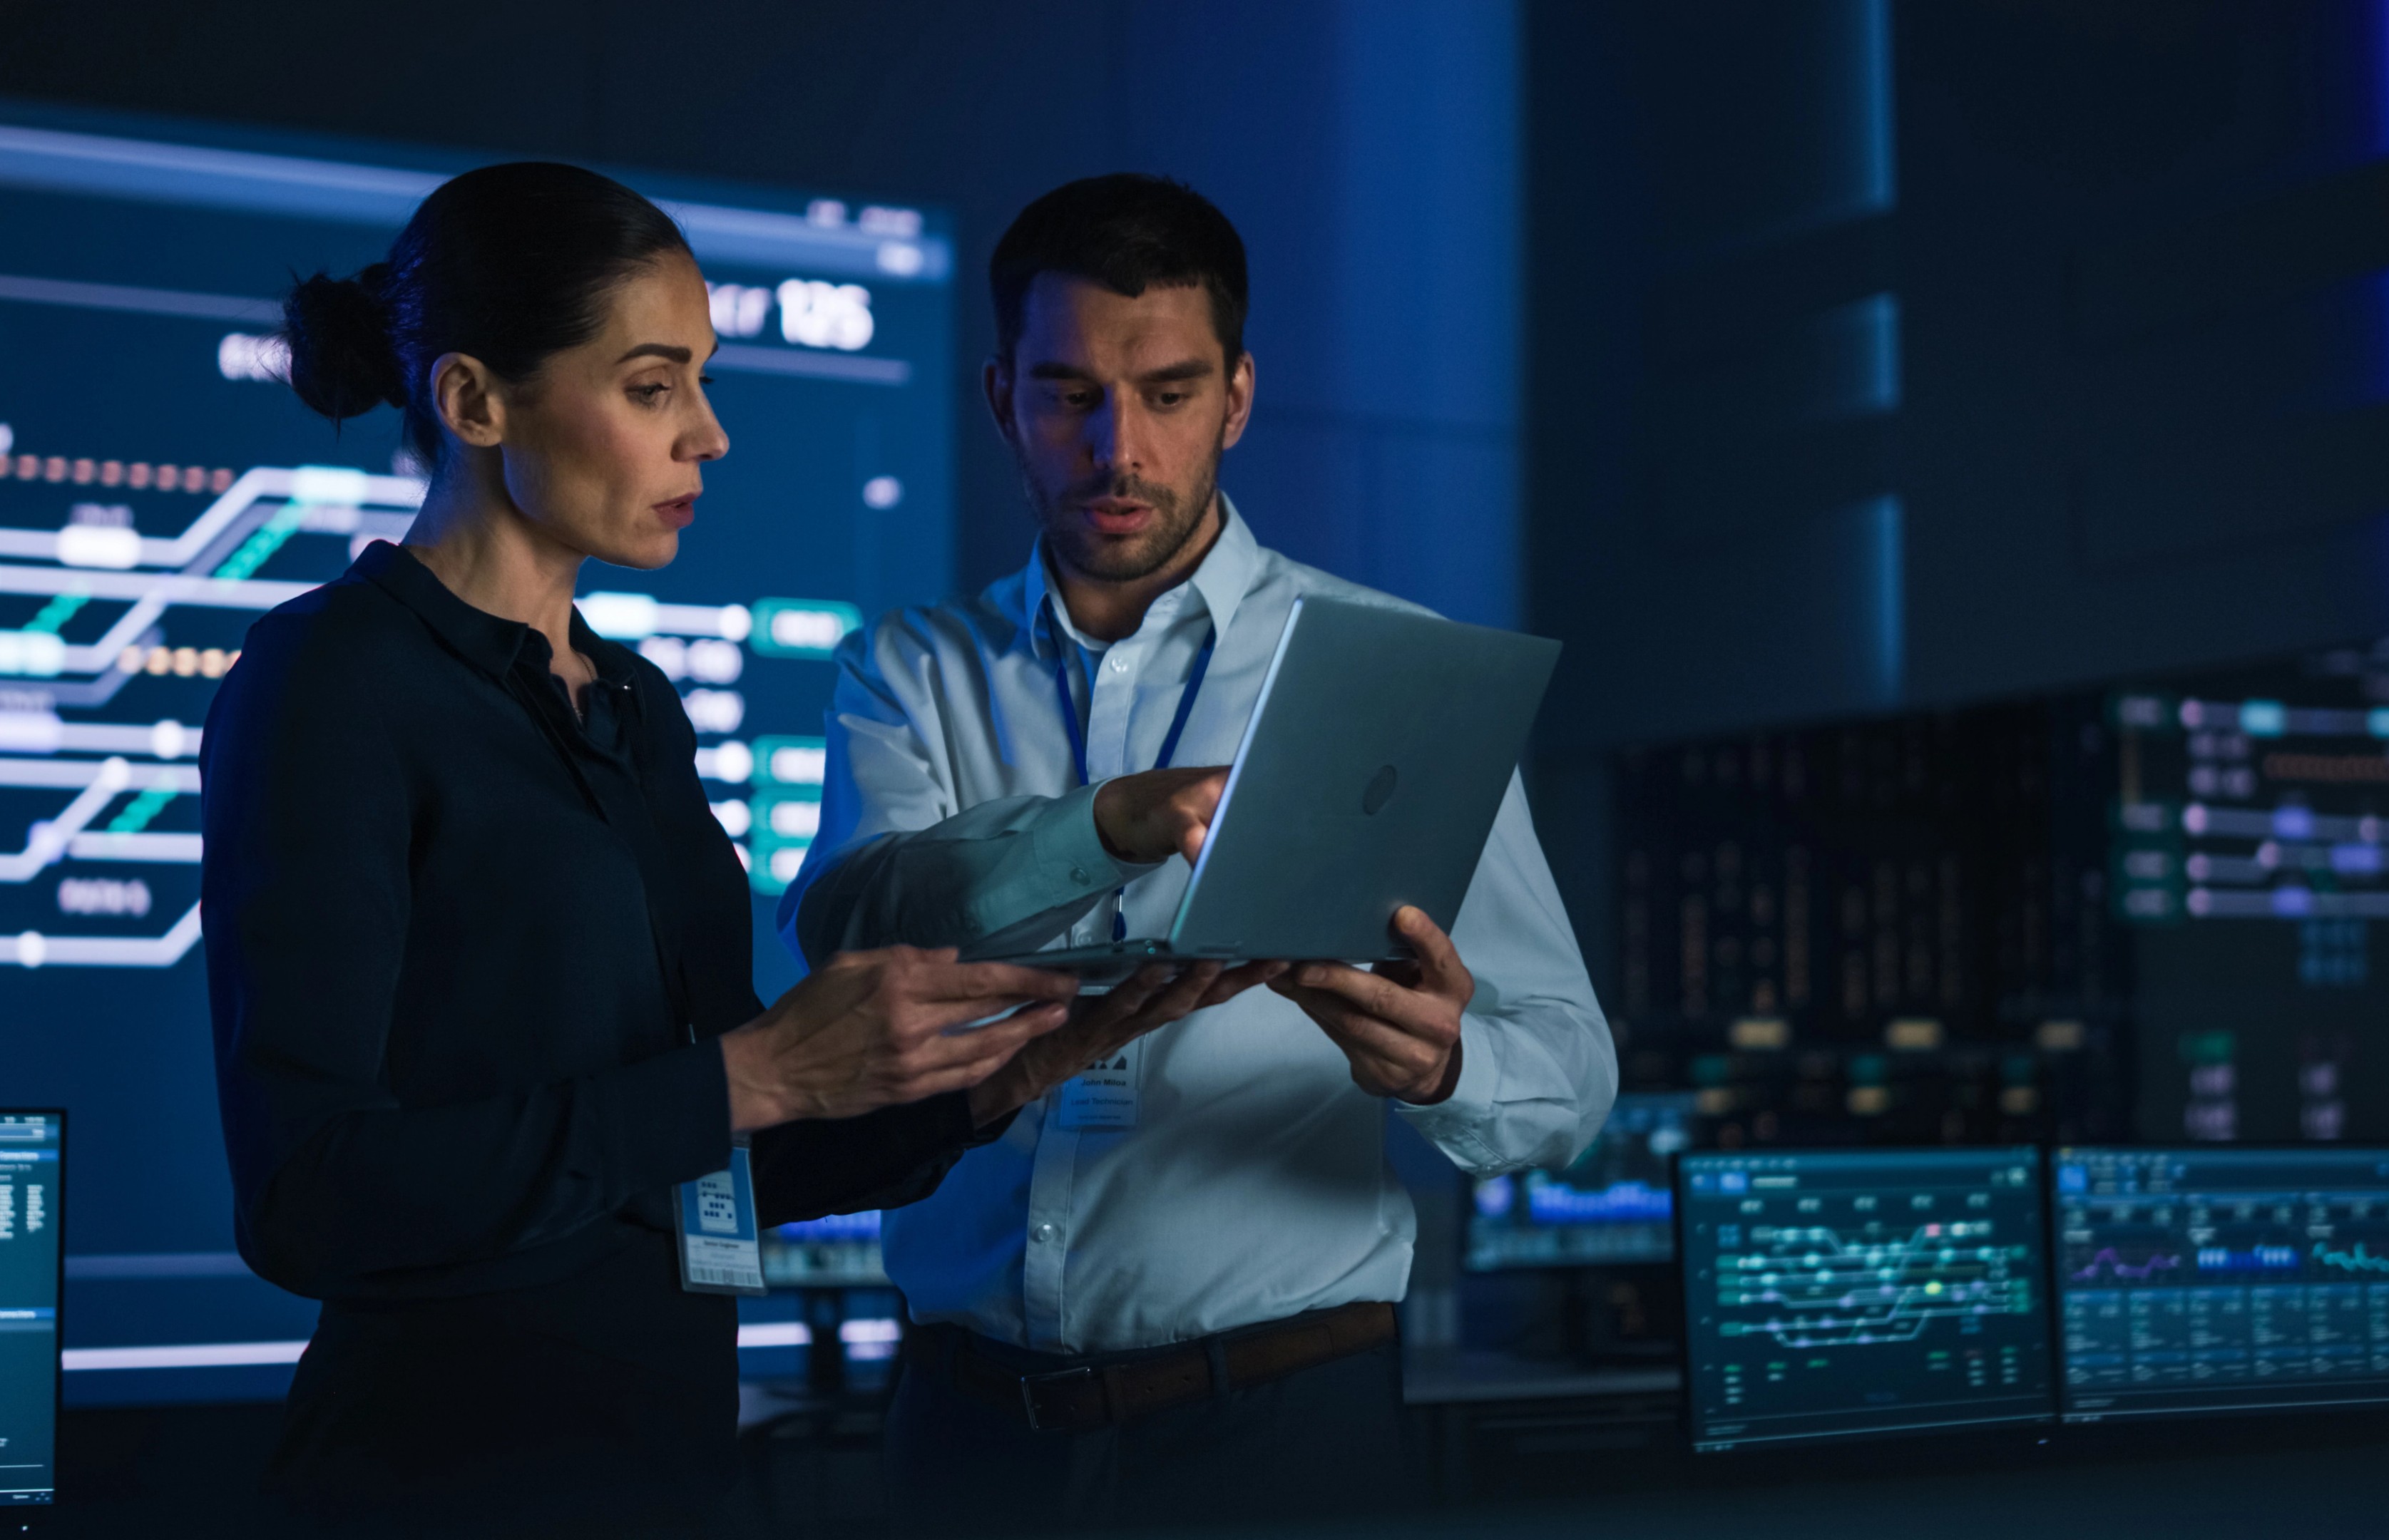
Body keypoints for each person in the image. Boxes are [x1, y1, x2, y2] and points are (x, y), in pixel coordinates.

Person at [201, 162, 1176, 1529]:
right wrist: (747, 1075)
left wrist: (997, 1076)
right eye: (654, 387)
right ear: (475, 400)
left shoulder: (635, 705)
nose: (709, 436)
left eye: (701, 383)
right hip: (433, 1481)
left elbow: (704, 1161)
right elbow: (310, 1199)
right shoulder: (328, 681)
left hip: (662, 1471)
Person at [778, 173, 1617, 1529]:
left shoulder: (1395, 676)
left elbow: (1573, 1074)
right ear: (1003, 400)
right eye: (1069, 395)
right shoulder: (908, 670)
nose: (1119, 447)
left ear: (1234, 397)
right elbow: (855, 926)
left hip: (1284, 1432)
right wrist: (1105, 828)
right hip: (967, 1433)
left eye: (1168, 395)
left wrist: (1451, 1063)